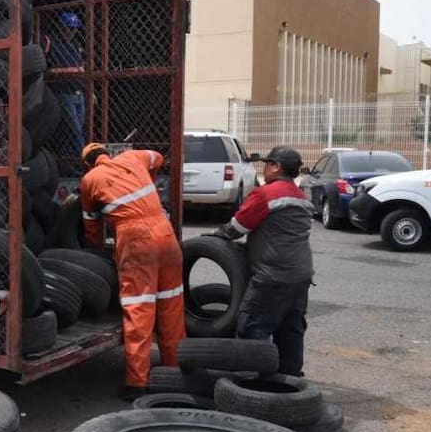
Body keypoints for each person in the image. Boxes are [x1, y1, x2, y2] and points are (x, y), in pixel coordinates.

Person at [79, 143, 185, 398]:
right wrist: (147, 178)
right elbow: (158, 157)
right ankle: (175, 370)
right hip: (165, 232)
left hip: (135, 238)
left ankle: (138, 383)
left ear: (88, 163)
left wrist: (94, 250)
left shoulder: (90, 179)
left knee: (140, 307)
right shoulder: (133, 157)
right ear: (107, 152)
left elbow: (91, 224)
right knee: (171, 304)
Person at [210, 145, 314, 376]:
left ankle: (255, 385)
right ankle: (289, 382)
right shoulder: (300, 196)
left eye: (267, 164)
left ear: (276, 167)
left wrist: (217, 237)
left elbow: (237, 227)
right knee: (290, 331)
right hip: (301, 277)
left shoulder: (265, 194)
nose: (264, 169)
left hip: (272, 277)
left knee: (253, 327)